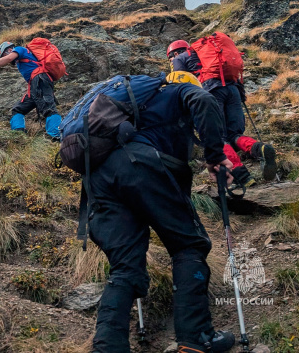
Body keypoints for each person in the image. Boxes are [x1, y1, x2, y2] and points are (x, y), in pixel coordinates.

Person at [86, 71, 235, 352]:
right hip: (143, 166)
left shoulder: (135, 107)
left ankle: (108, 347)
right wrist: (215, 156)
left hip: (100, 179)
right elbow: (203, 99)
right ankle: (196, 339)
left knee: (125, 267)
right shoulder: (180, 92)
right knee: (188, 246)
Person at [167, 40, 277, 185]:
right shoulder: (209, 54)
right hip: (233, 91)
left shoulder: (180, 58)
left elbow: (180, 85)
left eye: (170, 59)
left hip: (210, 93)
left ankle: (241, 175)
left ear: (175, 53)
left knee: (218, 137)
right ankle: (259, 148)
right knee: (234, 134)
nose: (170, 62)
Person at [0, 41, 61, 140]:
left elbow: (8, 58)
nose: (4, 58)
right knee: (18, 109)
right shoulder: (21, 59)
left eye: (3, 55)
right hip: (35, 84)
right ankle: (18, 135)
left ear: (9, 49)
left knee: (49, 108)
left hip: (40, 79)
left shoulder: (19, 49)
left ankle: (55, 137)